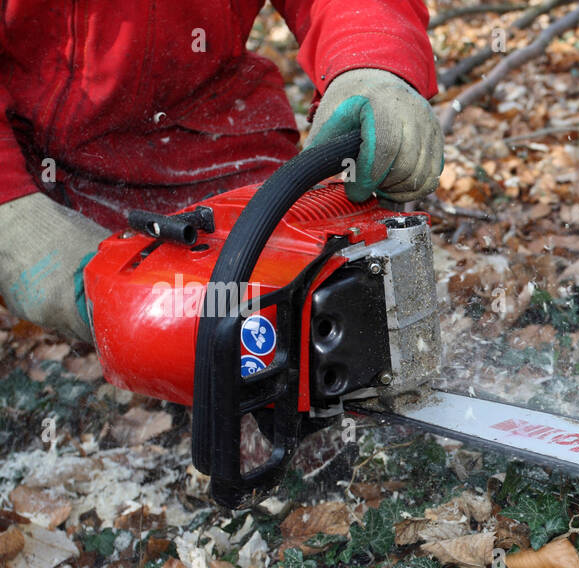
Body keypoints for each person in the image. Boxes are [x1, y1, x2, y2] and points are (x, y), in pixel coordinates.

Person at [0, 0, 444, 343]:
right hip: (23, 150)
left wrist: (372, 64)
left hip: (206, 131)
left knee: (287, 301)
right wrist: (12, 214)